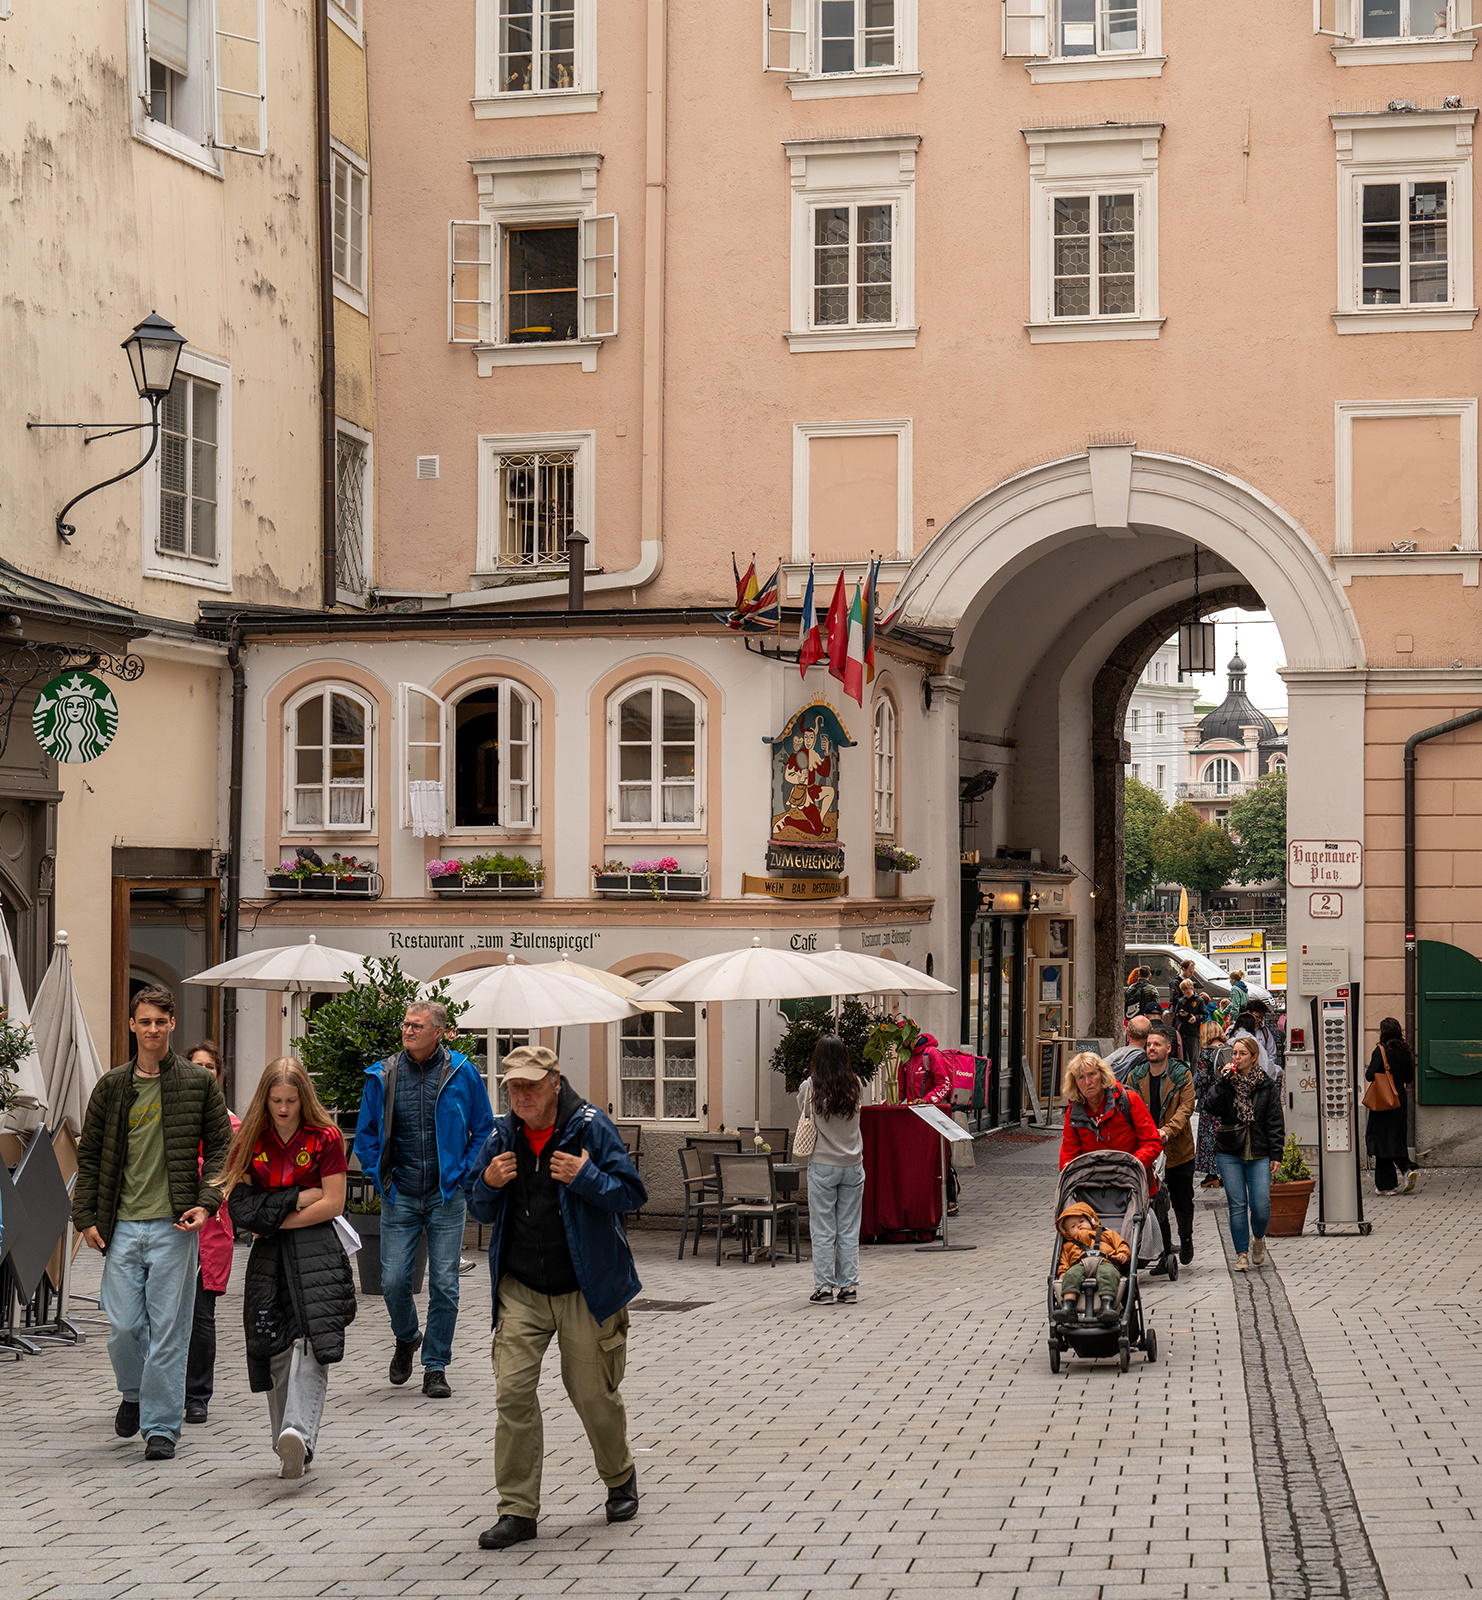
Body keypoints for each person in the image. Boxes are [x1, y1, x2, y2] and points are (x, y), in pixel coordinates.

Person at [467, 1045, 647, 1552]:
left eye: (529, 1085)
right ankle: (517, 1510)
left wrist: (586, 1176)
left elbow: (633, 1194)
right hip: (521, 1288)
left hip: (585, 1287)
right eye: (513, 1088)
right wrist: (487, 1181)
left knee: (592, 1393)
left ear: (554, 1082)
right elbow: (477, 1207)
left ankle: (619, 1477)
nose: (520, 1096)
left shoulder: (590, 1127)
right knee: (512, 1394)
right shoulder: (502, 1134)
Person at [72, 986, 233, 1461]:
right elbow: (90, 1153)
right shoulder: (112, 1085)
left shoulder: (197, 1084)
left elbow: (223, 1149)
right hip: (120, 1225)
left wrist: (207, 1202)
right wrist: (84, 1216)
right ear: (132, 1025)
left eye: (161, 1022)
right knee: (123, 1327)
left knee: (169, 1330)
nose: (152, 1029)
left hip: (173, 1226)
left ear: (171, 1024)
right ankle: (135, 1393)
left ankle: (162, 1426)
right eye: (144, 1021)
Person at [220, 1058, 354, 1479]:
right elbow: (241, 1210)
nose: (283, 1108)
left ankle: (298, 1430)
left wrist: (272, 1219)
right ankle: (287, 1441)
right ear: (266, 1098)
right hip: (268, 1257)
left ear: (303, 1100)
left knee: (313, 1340)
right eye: (276, 1100)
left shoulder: (325, 1137)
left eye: (291, 1101)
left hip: (316, 1251)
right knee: (273, 1345)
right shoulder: (248, 1139)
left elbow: (333, 1203)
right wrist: (297, 1199)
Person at [354, 1000, 494, 1398]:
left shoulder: (463, 1074)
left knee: (446, 1284)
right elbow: (365, 1135)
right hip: (400, 1193)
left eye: (417, 1026)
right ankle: (407, 1336)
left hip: (446, 1195)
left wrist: (465, 1173)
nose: (408, 1030)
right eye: (406, 1024)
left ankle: (436, 1365)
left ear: (439, 1032)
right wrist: (380, 1177)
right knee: (394, 1280)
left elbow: (483, 1129)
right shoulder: (383, 1074)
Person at [184, 1041, 240, 1425]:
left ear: (218, 1075)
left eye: (210, 1067)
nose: (204, 1072)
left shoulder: (231, 1123)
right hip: (169, 1224)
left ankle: (198, 1395)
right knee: (160, 1316)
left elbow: (229, 1175)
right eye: (197, 1066)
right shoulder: (174, 1115)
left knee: (202, 1315)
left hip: (212, 1230)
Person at [1204, 1036, 1285, 1271]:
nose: (1236, 1058)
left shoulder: (1266, 1085)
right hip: (1230, 1152)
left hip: (1259, 1152)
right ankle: (1241, 1254)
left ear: (1253, 1057)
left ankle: (1258, 1239)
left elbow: (1274, 1121)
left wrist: (1276, 1154)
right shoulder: (1227, 1083)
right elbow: (1209, 1106)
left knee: (1261, 1204)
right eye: (1234, 1054)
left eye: (1241, 1054)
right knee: (1237, 1205)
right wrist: (1222, 1081)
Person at [797, 1035, 864, 1305]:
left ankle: (824, 1288)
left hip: (823, 1164)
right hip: (853, 1164)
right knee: (848, 1228)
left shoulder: (810, 1087)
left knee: (823, 1228)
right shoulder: (856, 1084)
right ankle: (848, 1287)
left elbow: (803, 1113)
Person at [1125, 1022, 1196, 1269]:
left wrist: (1166, 1131)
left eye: (1156, 1045)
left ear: (1168, 1049)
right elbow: (1129, 1108)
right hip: (1148, 1150)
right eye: (1148, 1044)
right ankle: (1166, 1254)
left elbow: (1186, 1108)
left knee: (1182, 1201)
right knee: (1156, 1203)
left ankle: (1186, 1238)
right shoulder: (1137, 1075)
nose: (1151, 1048)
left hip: (1177, 1149)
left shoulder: (1181, 1074)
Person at [1059, 1051, 1162, 1184]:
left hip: (1132, 1182)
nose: (1087, 1082)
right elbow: (1069, 1153)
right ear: (1075, 1083)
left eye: (1092, 1074)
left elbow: (1152, 1142)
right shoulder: (1073, 1112)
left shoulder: (1128, 1100)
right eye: (1080, 1077)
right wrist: (1071, 1171)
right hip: (1093, 1185)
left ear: (1102, 1075)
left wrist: (1132, 1165)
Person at [898, 1029, 960, 1214]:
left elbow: (944, 1084)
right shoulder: (905, 1059)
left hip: (935, 1114)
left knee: (940, 1156)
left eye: (899, 1039)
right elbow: (901, 1091)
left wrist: (927, 1099)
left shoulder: (931, 1053)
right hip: (914, 1116)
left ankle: (950, 1197)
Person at [1054, 1202, 1131, 1326]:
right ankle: (1068, 1306)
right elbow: (1063, 1261)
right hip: (1080, 1265)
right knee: (1071, 1275)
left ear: (1092, 1221)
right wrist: (1063, 1272)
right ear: (1067, 1233)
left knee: (1108, 1274)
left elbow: (1121, 1244)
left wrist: (1123, 1254)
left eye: (1082, 1221)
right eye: (1073, 1226)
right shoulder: (1069, 1245)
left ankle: (1106, 1305)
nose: (1079, 1226)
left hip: (1105, 1261)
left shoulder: (1107, 1234)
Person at [1366, 1017, 1418, 1195]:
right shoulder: (1406, 1051)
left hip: (1383, 1099)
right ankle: (1406, 1168)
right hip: (1399, 1098)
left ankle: (1386, 1185)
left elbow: (1369, 1074)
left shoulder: (1380, 1050)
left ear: (1383, 1032)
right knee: (1395, 1137)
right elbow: (1409, 1078)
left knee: (1381, 1140)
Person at [1194, 1020, 1228, 1187]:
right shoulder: (1228, 1050)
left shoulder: (1206, 1053)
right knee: (1224, 1135)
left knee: (1208, 1137)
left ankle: (1212, 1174)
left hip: (1211, 1100)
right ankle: (1226, 1173)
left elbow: (1202, 1079)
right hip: (1228, 1100)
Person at [1228, 1009, 1276, 1080]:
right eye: (1234, 1053)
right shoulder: (1252, 1040)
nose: (1237, 1057)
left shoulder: (1229, 1038)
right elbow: (1264, 1062)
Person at [1171, 979, 1207, 1066]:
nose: (1186, 995)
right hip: (1182, 1030)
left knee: (1193, 1058)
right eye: (1184, 993)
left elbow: (1205, 1014)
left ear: (1192, 989)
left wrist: (1196, 1018)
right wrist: (1180, 1015)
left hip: (1193, 1032)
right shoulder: (1181, 1001)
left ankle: (1193, 1076)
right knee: (1181, 1057)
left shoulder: (1199, 1001)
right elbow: (1176, 1014)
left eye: (1187, 992)